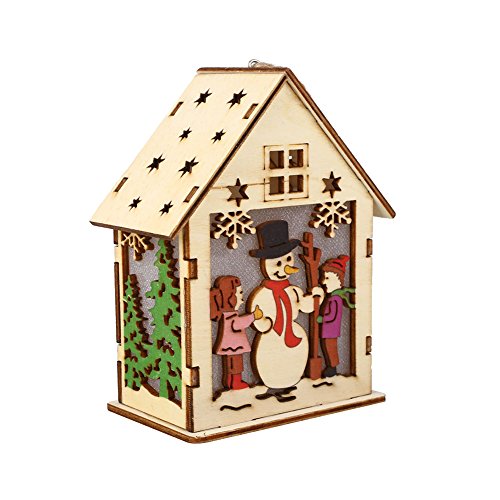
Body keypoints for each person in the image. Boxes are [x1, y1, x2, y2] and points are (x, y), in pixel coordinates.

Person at [210, 276, 262, 390]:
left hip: (231, 345)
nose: (242, 299)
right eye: (240, 293)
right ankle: (235, 382)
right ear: (230, 296)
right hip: (234, 346)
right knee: (236, 364)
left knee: (231, 364)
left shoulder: (228, 315)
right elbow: (238, 324)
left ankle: (230, 381)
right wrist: (253, 316)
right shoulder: (230, 315)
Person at [318, 255, 356, 377]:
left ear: (338, 279)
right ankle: (331, 366)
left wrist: (322, 319)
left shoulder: (335, 299)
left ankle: (332, 367)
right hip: (328, 329)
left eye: (327, 278)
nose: (323, 282)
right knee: (328, 347)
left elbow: (333, 315)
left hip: (330, 329)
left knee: (330, 348)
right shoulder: (333, 297)